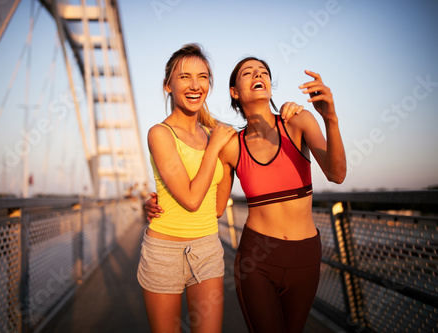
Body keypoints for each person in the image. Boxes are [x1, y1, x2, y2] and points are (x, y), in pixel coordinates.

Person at [146, 56, 346, 333]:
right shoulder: (229, 145)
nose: (257, 75)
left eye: (263, 72)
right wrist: (161, 200)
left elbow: (336, 174)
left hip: (306, 255)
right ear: (234, 92)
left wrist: (330, 118)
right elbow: (213, 205)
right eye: (248, 73)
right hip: (257, 259)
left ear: (270, 87)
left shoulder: (299, 121)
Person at [136, 43, 235, 333]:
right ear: (168, 86)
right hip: (163, 251)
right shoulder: (160, 133)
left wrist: (226, 163)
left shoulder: (211, 133)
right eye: (184, 77)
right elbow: (192, 200)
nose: (195, 85)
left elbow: (216, 209)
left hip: (207, 249)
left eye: (203, 77)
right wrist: (216, 147)